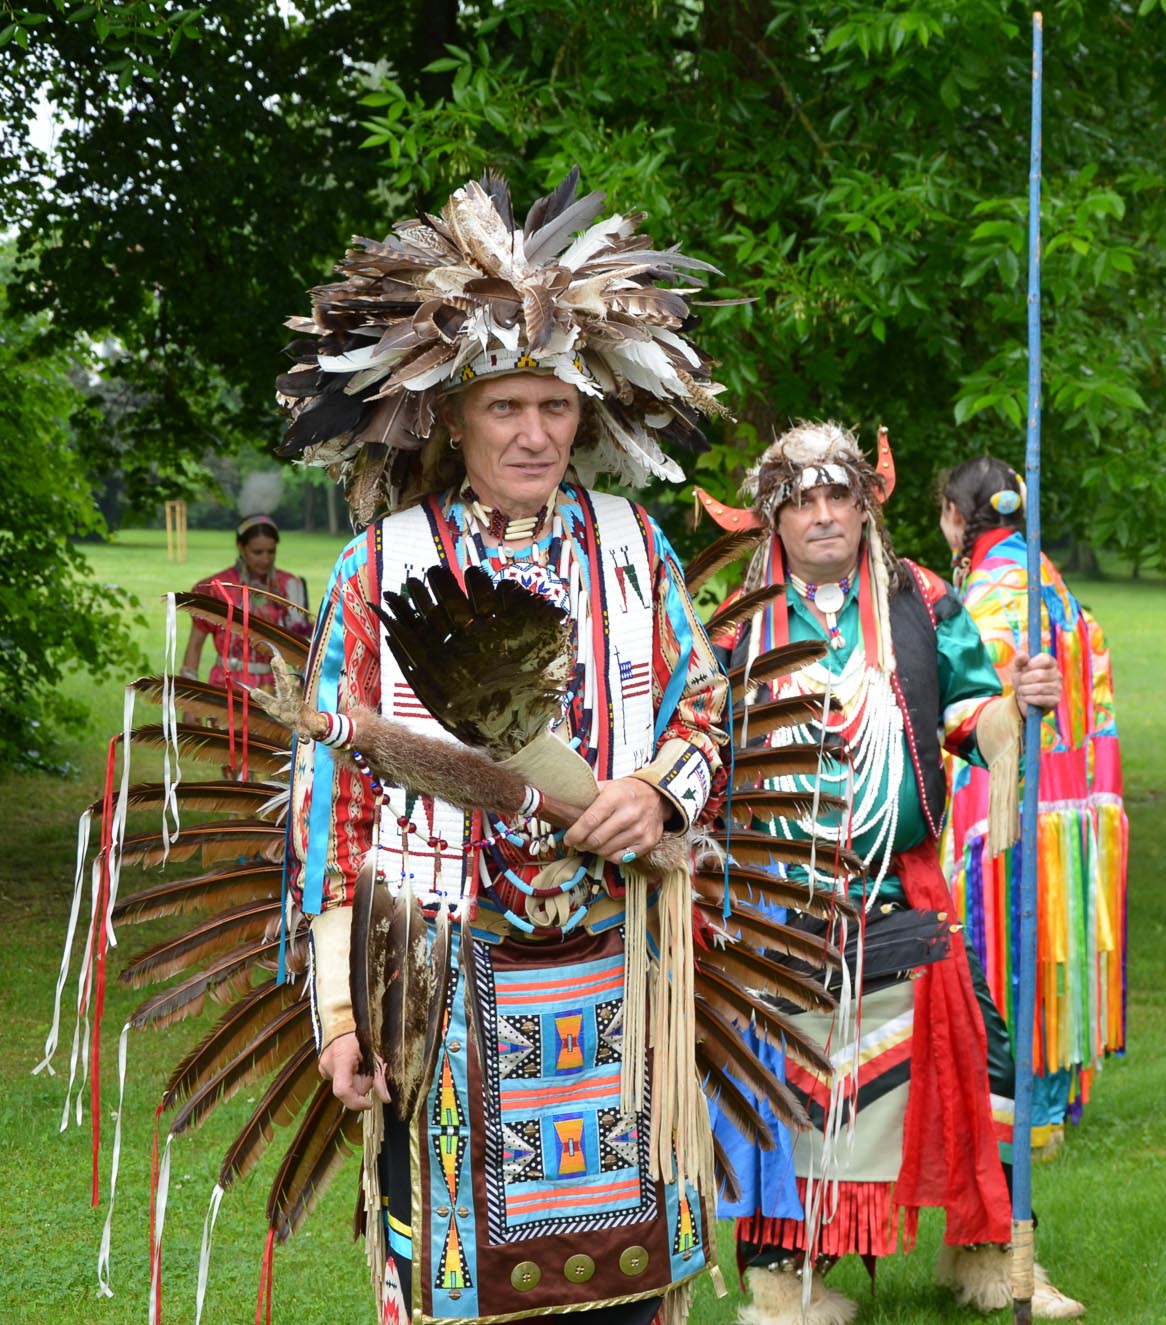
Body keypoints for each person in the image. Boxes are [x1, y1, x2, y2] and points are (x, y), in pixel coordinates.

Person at [281, 170, 738, 1324]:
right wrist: (341, 1013)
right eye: (504, 407)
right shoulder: (378, 569)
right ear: (451, 418)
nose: (534, 433)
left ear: (589, 413)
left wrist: (657, 794)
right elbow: (331, 795)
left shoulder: (635, 547)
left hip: (618, 979)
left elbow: (702, 708)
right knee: (453, 1282)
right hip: (436, 980)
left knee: (626, 1288)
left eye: (556, 405)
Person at [698, 424, 1085, 1323]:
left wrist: (1012, 711)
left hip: (901, 894)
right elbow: (698, 746)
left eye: (841, 496)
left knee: (980, 1068)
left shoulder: (922, 598)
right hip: (778, 904)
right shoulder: (732, 626)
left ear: (867, 504)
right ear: (774, 519)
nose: (825, 514)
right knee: (781, 1093)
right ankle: (782, 1283)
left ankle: (989, 1259)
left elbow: (969, 710)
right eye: (803, 500)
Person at [936, 456, 1127, 1156]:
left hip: (1006, 803)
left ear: (956, 517)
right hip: (1072, 801)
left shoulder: (983, 593)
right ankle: (1048, 1103)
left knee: (1003, 949)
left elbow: (960, 709)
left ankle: (1015, 1109)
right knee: (1050, 945)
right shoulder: (1050, 580)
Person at [180, 511, 313, 689]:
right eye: (257, 552)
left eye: (271, 551)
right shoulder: (217, 589)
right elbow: (195, 646)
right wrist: (191, 703)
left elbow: (303, 649)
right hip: (227, 687)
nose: (266, 559)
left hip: (274, 691)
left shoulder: (288, 587)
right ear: (241, 548)